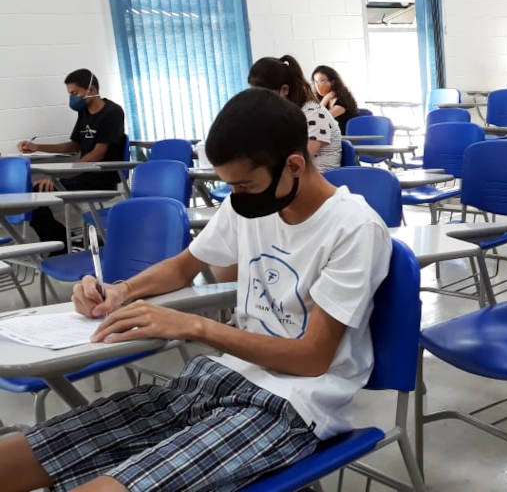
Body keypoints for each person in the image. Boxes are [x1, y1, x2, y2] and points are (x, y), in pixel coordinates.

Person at [0, 88, 392, 492]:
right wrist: (121, 290)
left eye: (244, 185)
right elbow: (184, 266)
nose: (234, 197)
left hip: (290, 406)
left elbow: (312, 359)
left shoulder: (354, 228)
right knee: (27, 452)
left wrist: (195, 327)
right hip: (210, 379)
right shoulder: (252, 201)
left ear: (294, 165)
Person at [17, 69, 125, 252]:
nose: (72, 98)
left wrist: (58, 177)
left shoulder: (112, 112)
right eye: (70, 94)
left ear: (90, 89)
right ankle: (63, 244)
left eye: (75, 93)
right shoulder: (84, 112)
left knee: (36, 192)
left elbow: (98, 154)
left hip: (101, 175)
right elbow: (73, 145)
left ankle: (62, 246)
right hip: (84, 174)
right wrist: (38, 147)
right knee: (31, 193)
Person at [250, 56, 342, 172]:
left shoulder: (313, 113)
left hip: (319, 180)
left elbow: (298, 161)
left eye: (264, 94)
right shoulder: (284, 114)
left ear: (284, 90)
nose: (258, 100)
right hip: (294, 179)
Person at [311, 65, 359, 135]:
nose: (318, 85)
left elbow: (319, 119)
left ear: (332, 82)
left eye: (322, 81)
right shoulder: (322, 100)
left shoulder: (342, 101)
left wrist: (326, 98)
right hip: (331, 139)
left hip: (346, 140)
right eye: (316, 82)